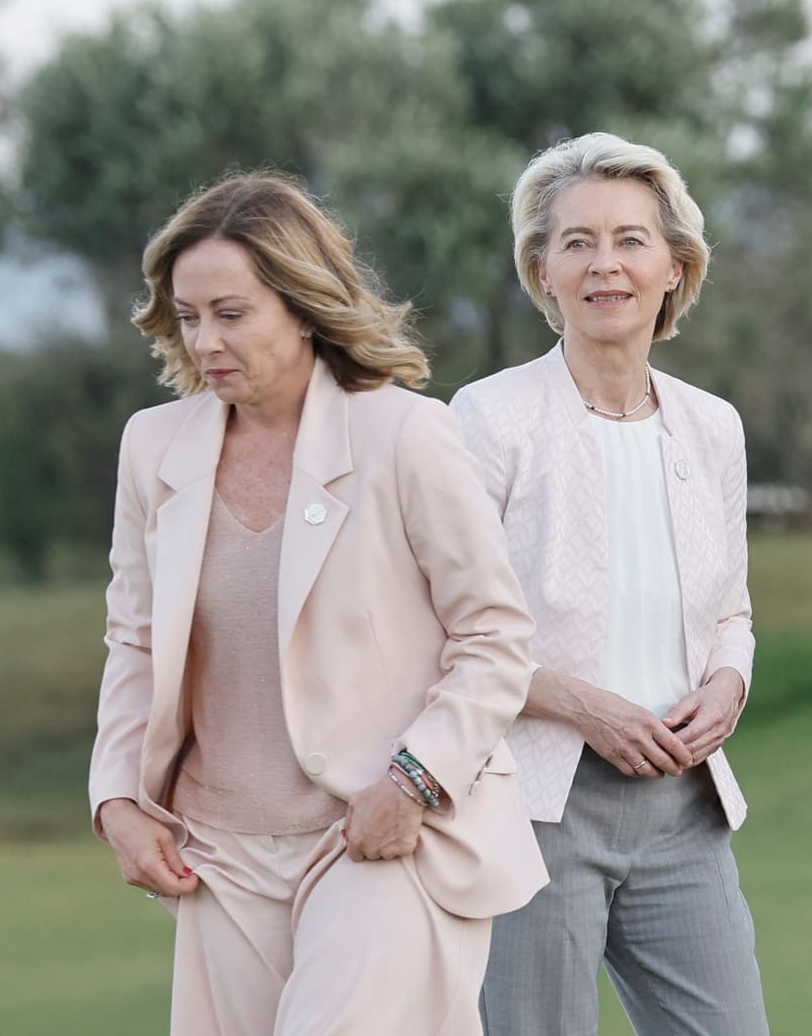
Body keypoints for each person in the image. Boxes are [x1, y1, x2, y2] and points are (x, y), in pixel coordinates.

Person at [89, 171, 546, 1035]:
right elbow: (135, 643)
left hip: (380, 835)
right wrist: (115, 798)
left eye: (232, 313)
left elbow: (495, 635)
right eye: (189, 317)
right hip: (217, 852)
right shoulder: (152, 447)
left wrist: (413, 781)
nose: (206, 341)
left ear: (300, 304)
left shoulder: (404, 433)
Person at [459, 132, 768, 1036]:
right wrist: (583, 707)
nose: (606, 265)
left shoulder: (713, 428)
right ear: (542, 270)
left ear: (674, 267)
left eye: (631, 240)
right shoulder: (487, 419)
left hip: (686, 811)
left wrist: (729, 682)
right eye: (577, 242)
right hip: (534, 802)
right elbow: (440, 630)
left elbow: (733, 610)